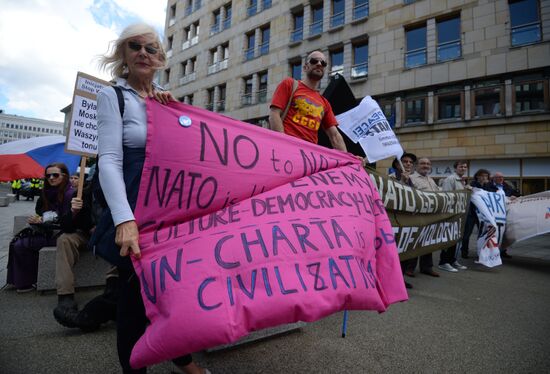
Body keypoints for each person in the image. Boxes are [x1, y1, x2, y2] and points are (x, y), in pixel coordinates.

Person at [96, 23, 208, 374]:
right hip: (135, 210)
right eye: (135, 46)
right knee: (133, 301)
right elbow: (110, 160)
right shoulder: (112, 96)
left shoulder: (166, 99)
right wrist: (124, 220)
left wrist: (172, 115)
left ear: (160, 58)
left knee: (173, 292)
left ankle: (182, 358)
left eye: (151, 47)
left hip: (170, 211)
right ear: (123, 55)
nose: (143, 52)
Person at [6, 163, 74, 292]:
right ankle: (21, 280)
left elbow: (67, 220)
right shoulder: (46, 192)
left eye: (55, 175)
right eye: (48, 175)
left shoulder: (70, 194)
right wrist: (38, 219)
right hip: (48, 231)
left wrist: (44, 220)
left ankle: (26, 281)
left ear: (64, 176)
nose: (51, 178)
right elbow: (43, 212)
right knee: (16, 242)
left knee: (22, 244)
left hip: (63, 234)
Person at [268, 50, 347, 151]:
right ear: (305, 67)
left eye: (323, 63)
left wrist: (348, 159)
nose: (319, 64)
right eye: (314, 61)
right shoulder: (290, 84)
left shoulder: (325, 103)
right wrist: (283, 145)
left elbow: (334, 135)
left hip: (308, 157)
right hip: (286, 150)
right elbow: (274, 115)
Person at [405, 157, 440, 278]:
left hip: (430, 216)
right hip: (417, 215)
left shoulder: (431, 180)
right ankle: (410, 268)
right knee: (415, 241)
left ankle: (427, 267)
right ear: (416, 166)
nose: (426, 165)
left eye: (428, 164)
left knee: (428, 241)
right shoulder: (410, 178)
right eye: (423, 163)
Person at [389, 152, 417, 289]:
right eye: (405, 161)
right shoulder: (389, 178)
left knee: (405, 250)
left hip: (408, 220)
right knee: (392, 252)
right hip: (393, 220)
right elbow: (392, 196)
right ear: (396, 164)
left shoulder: (413, 180)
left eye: (411, 162)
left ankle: (400, 278)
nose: (408, 164)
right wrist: (402, 182)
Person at [438, 160, 469, 272]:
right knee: (448, 238)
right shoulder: (450, 179)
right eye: (461, 166)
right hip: (451, 214)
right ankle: (444, 262)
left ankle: (452, 260)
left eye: (465, 167)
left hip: (459, 213)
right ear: (455, 168)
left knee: (455, 239)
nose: (463, 168)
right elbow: (446, 196)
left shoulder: (462, 181)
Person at [460, 168, 491, 258]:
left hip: (482, 214)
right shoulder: (473, 184)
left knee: (482, 234)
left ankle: (481, 251)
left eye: (486, 176)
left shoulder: (487, 186)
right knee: (467, 234)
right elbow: (467, 189)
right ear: (478, 176)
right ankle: (464, 251)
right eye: (483, 176)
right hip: (471, 213)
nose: (485, 177)